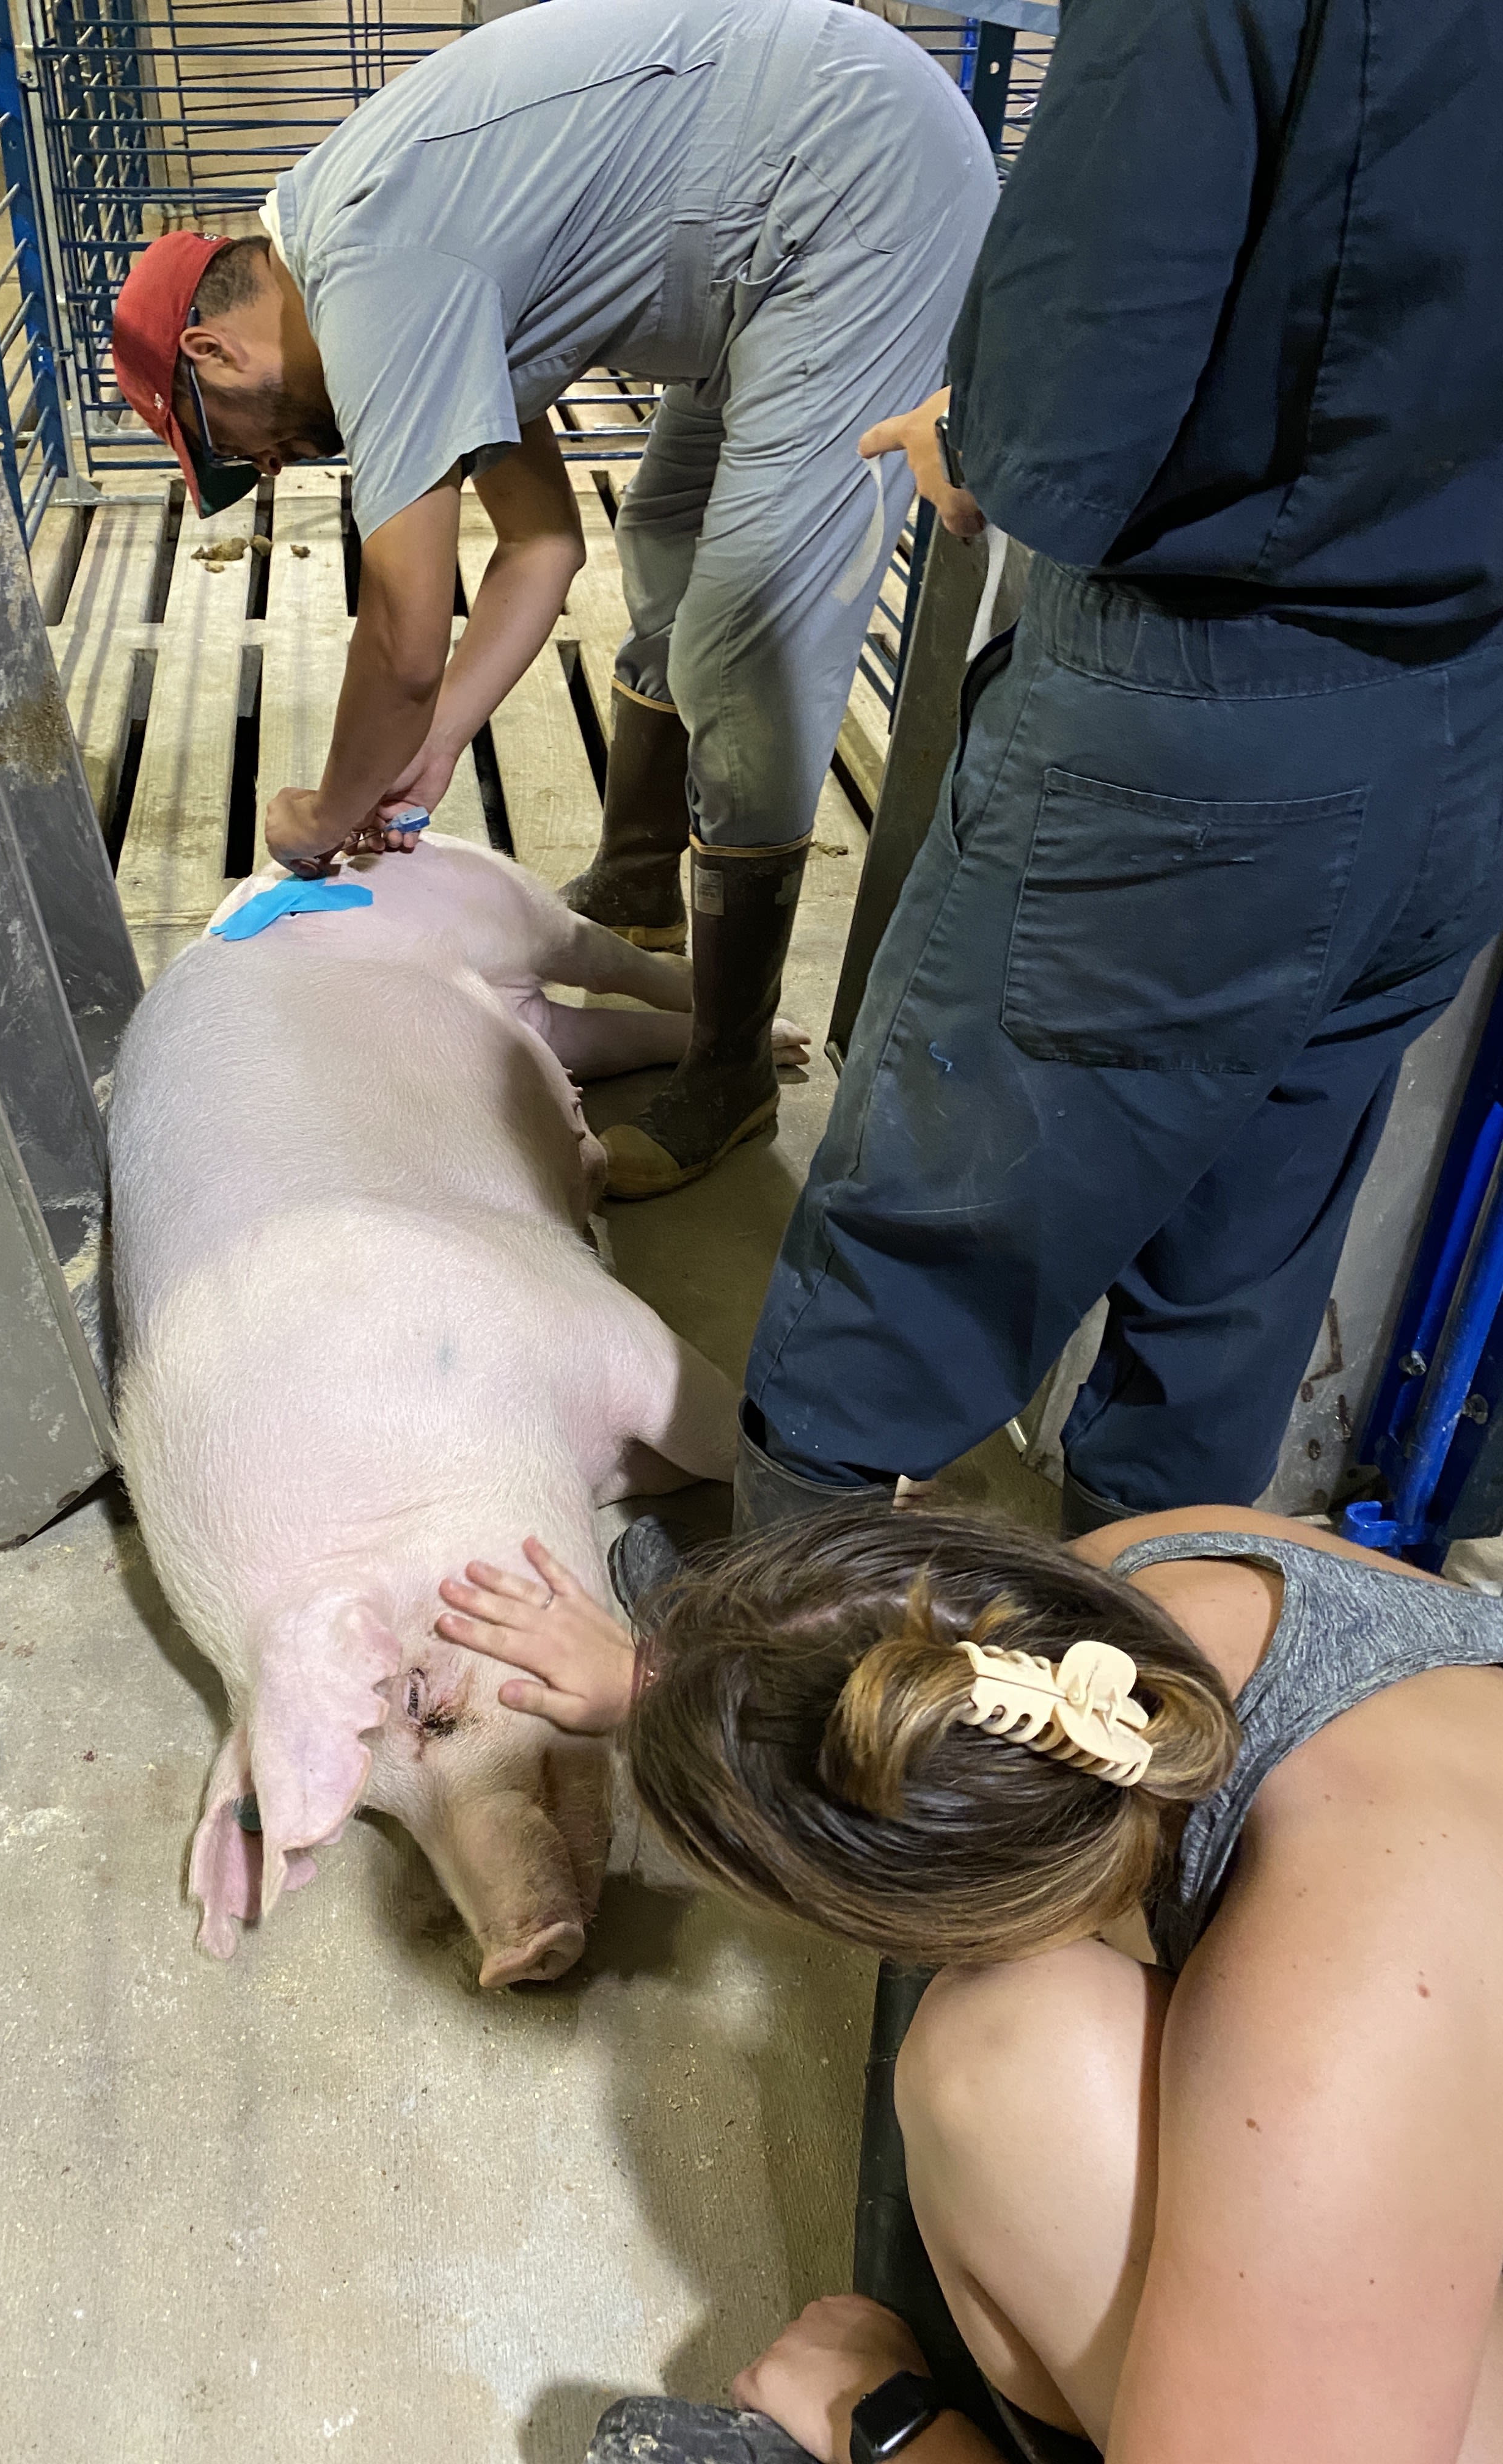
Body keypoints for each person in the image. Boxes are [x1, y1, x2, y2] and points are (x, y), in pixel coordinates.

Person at [735, 0, 1503, 1537]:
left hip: (1203, 719)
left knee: (933, 1221)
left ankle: (777, 1690)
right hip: (1462, 722)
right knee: (1247, 1257)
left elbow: (1055, 407)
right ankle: (1137, 1702)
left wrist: (979, 426)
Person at [108, 0, 997, 1197]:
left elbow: (406, 620)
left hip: (860, 190)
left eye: (231, 448)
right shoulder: (380, 253)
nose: (265, 469)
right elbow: (540, 547)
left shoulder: (375, 270)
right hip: (781, 199)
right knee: (664, 525)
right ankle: (641, 886)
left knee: (745, 629)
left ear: (214, 355)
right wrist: (432, 749)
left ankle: (731, 1065)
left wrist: (330, 809)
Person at [435, 1502, 1503, 2464]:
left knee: (995, 2066)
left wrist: (883, 2416)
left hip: (1384, 2042)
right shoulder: (1146, 1582)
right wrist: (687, 1694)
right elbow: (922, 1688)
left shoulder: (1336, 2035)